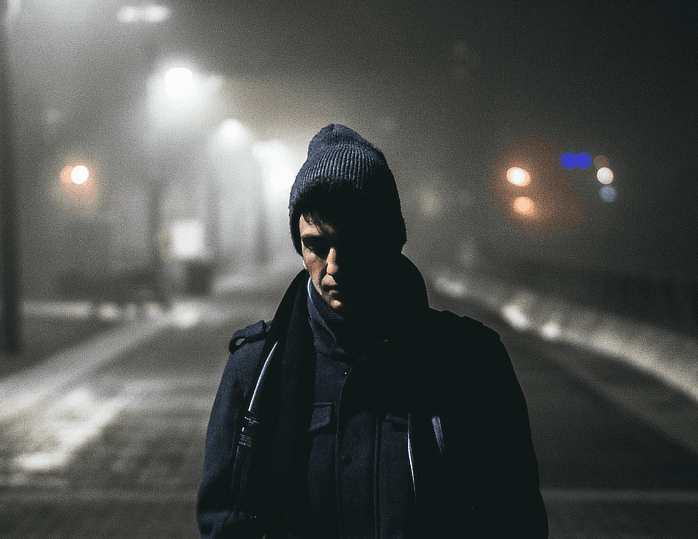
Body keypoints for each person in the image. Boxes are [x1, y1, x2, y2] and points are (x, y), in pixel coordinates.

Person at [197, 124, 548, 538]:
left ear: (392, 239)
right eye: (316, 245)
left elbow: (513, 517)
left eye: (355, 241)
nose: (334, 265)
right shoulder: (254, 371)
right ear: (299, 244)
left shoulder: (472, 363)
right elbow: (225, 520)